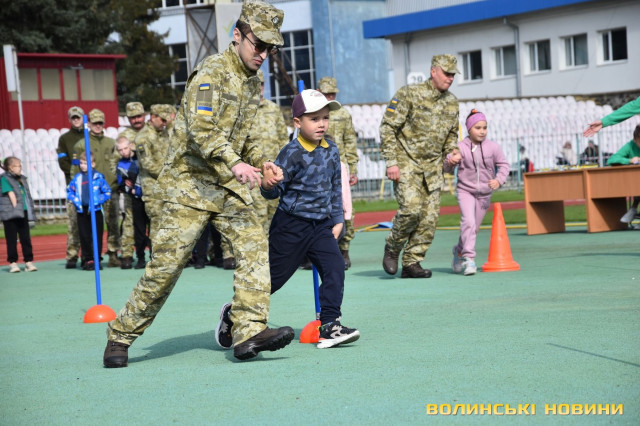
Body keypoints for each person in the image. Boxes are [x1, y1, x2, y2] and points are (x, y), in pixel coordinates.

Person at [103, 0, 294, 368]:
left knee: (255, 243)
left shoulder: (251, 83)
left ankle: (248, 330)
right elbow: (201, 129)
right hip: (189, 186)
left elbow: (244, 138)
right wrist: (236, 162)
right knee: (166, 268)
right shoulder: (211, 72)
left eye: (270, 48)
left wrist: (262, 162)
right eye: (259, 44)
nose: (263, 54)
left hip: (225, 185)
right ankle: (120, 335)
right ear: (237, 35)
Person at [215, 89, 360, 350]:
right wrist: (268, 184)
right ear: (297, 122)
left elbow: (335, 187)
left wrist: (338, 218)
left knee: (335, 268)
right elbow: (272, 191)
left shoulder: (332, 149)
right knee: (272, 280)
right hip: (291, 226)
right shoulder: (291, 153)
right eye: (314, 119)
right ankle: (233, 313)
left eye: (325, 118)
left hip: (321, 226)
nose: (321, 124)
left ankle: (330, 325)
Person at [379, 54, 460, 278]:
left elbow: (451, 135)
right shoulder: (409, 93)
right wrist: (391, 162)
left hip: (432, 167)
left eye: (453, 74)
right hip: (407, 162)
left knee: (428, 219)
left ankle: (412, 262)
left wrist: (452, 153)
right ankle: (393, 247)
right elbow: (388, 127)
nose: (450, 78)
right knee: (411, 210)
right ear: (433, 71)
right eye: (447, 73)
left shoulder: (452, 102)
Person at [443, 109, 510, 275]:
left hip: (485, 194)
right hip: (465, 191)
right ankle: (469, 259)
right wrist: (451, 161)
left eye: (484, 127)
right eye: (478, 128)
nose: (482, 131)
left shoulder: (493, 147)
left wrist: (499, 180)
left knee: (473, 229)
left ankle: (458, 250)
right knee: (468, 222)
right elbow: (446, 169)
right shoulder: (459, 147)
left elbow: (504, 165)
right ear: (469, 129)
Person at [318, 76, 359, 270]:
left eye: (332, 94)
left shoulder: (343, 114)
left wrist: (353, 168)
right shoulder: (313, 113)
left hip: (339, 167)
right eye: (326, 94)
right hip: (318, 167)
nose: (329, 97)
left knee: (345, 208)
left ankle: (344, 250)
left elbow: (350, 141)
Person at [71, 109, 121, 267]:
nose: (98, 126)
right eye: (95, 123)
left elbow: (117, 164)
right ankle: (87, 257)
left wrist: (117, 182)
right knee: (86, 227)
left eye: (100, 123)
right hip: (89, 192)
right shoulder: (81, 144)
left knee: (112, 224)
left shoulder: (111, 143)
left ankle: (113, 253)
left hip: (110, 189)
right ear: (89, 124)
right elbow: (74, 169)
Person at [247, 69, 289, 235]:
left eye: (262, 84)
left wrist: (284, 166)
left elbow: (283, 139)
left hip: (274, 171)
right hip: (253, 173)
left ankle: (273, 248)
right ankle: (262, 249)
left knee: (275, 214)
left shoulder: (273, 109)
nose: (259, 87)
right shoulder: (244, 110)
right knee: (258, 216)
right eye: (256, 83)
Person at [67, 151, 112, 271]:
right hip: (82, 211)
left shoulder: (98, 178)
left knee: (96, 236)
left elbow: (107, 192)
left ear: (93, 164)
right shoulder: (77, 178)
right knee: (84, 236)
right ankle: (88, 259)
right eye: (81, 163)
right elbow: (70, 191)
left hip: (95, 211)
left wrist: (98, 200)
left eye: (85, 163)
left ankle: (97, 259)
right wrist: (75, 200)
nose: (83, 166)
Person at [134, 104, 172, 246]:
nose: (164, 123)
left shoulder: (164, 133)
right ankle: (156, 254)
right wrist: (168, 175)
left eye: (166, 120)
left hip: (168, 186)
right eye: (162, 120)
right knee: (157, 222)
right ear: (153, 117)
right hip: (153, 187)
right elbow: (147, 164)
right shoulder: (143, 137)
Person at [114, 135, 149, 269]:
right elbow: (122, 183)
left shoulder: (140, 158)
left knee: (153, 227)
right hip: (132, 199)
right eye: (120, 150)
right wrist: (130, 189)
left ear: (131, 146)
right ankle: (132, 256)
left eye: (125, 148)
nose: (123, 152)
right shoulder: (120, 165)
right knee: (133, 227)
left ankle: (155, 255)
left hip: (148, 197)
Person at [56, 106, 84, 269]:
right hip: (74, 186)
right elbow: (63, 162)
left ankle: (89, 255)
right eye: (73, 118)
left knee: (90, 222)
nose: (76, 120)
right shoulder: (64, 139)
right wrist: (77, 176)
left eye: (78, 117)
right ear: (69, 119)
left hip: (91, 186)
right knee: (73, 222)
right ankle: (72, 255)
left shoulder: (89, 135)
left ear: (83, 118)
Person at [1, 157, 37, 273]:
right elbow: (11, 194)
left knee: (25, 238)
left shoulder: (22, 178)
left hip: (23, 212)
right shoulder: (4, 179)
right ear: (11, 168)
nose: (20, 168)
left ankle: (28, 261)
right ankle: (13, 262)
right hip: (11, 213)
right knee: (11, 239)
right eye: (18, 166)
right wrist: (16, 207)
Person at [606, 124, 640, 224]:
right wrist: (629, 160)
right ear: (635, 139)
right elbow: (611, 160)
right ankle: (633, 209)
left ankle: (633, 208)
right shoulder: (630, 145)